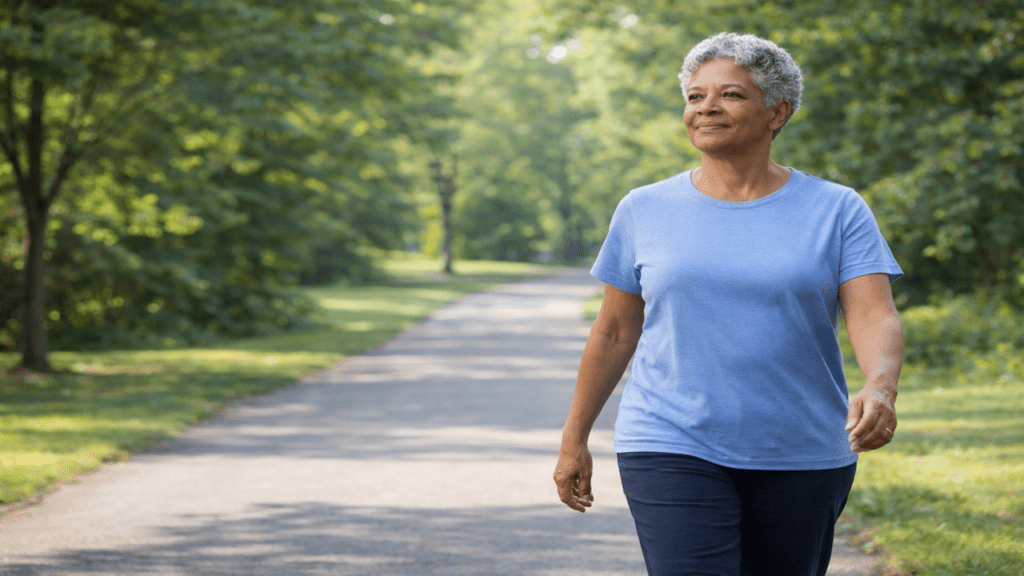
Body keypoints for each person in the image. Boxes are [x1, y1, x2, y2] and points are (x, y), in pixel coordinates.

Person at [553, 32, 904, 576]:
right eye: (695, 96)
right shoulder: (644, 209)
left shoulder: (836, 209)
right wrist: (574, 440)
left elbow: (873, 313)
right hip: (669, 438)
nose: (706, 108)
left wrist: (879, 386)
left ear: (777, 112)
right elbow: (616, 330)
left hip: (802, 447)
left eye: (731, 95)